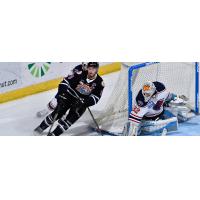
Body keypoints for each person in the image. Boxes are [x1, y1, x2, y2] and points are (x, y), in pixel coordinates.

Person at [34, 62, 105, 136]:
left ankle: (54, 135)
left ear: (97, 69)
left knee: (69, 121)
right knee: (57, 113)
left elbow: (96, 98)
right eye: (89, 68)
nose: (91, 71)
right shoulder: (80, 73)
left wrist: (85, 102)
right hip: (69, 96)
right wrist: (62, 94)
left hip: (81, 103)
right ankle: (40, 128)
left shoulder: (99, 82)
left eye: (93, 69)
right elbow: (65, 82)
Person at [124, 81, 190, 136]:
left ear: (153, 90)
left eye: (147, 94)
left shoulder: (161, 89)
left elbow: (169, 96)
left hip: (161, 112)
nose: (145, 96)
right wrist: (131, 131)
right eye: (144, 93)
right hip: (148, 119)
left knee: (182, 110)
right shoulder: (141, 101)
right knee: (172, 122)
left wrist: (177, 97)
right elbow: (133, 119)